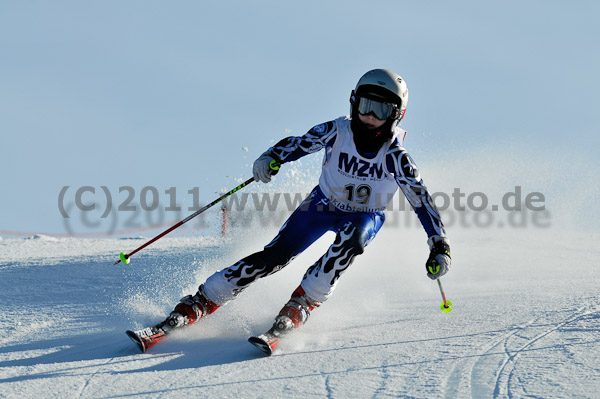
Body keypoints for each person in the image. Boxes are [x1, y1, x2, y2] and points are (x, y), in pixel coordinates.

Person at [127, 69, 451, 353]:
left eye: (381, 110)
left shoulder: (396, 156)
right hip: (321, 206)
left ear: (397, 115)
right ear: (354, 102)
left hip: (364, 215)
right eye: (366, 105)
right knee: (274, 257)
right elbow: (299, 143)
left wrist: (439, 245)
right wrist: (272, 157)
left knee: (351, 242)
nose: (370, 117)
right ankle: (200, 301)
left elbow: (421, 200)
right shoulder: (337, 130)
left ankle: (303, 302)